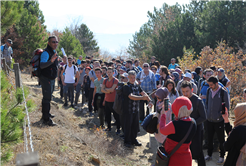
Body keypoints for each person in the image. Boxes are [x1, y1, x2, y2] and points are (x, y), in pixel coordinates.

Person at [159, 96, 197, 166]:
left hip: (174, 158)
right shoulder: (193, 122)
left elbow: (162, 129)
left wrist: (163, 114)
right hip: (186, 158)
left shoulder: (175, 124)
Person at [122, 70, 152, 147]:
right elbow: (131, 96)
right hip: (128, 110)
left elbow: (143, 92)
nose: (133, 79)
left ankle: (133, 140)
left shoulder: (137, 85)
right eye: (131, 78)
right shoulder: (126, 86)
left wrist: (149, 100)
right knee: (128, 126)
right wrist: (142, 98)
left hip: (136, 110)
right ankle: (127, 141)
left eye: (134, 77)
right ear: (128, 77)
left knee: (135, 126)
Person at [204, 76, 230, 165]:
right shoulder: (208, 90)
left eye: (211, 84)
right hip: (209, 120)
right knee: (209, 138)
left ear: (216, 83)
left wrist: (220, 115)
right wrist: (207, 113)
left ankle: (222, 156)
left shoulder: (223, 92)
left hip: (219, 120)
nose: (210, 86)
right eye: (209, 84)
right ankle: (209, 154)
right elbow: (207, 103)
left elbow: (227, 106)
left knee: (221, 139)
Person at [181, 81, 207, 166]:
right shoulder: (182, 100)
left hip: (197, 129)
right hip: (185, 129)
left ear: (192, 90)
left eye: (187, 91)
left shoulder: (197, 101)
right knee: (186, 151)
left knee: (198, 151)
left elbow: (203, 117)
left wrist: (192, 123)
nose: (185, 93)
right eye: (183, 91)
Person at [39, 36, 59, 126]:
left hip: (51, 78)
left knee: (48, 97)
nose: (55, 44)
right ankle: (46, 119)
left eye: (56, 42)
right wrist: (51, 61)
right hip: (46, 78)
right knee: (46, 98)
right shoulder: (46, 53)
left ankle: (47, 114)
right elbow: (42, 65)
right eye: (53, 42)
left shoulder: (53, 51)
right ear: (49, 43)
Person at [101, 67, 120, 134]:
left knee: (116, 115)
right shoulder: (105, 80)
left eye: (110, 72)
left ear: (113, 73)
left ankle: (118, 128)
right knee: (107, 115)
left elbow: (112, 89)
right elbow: (102, 90)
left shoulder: (115, 80)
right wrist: (108, 90)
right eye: (108, 72)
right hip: (107, 100)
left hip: (114, 101)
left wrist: (106, 89)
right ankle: (108, 128)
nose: (109, 73)